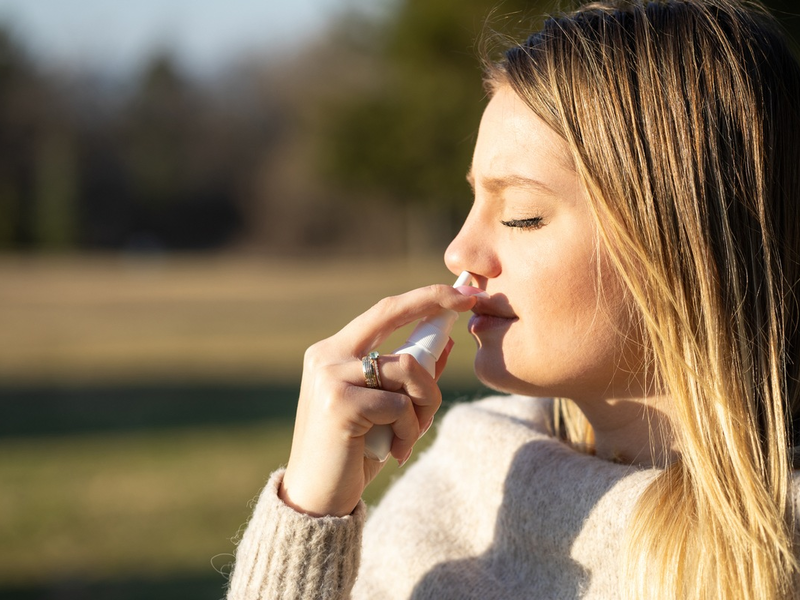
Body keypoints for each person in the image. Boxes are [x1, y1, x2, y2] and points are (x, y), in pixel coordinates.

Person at [225, 0, 800, 598]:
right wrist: (311, 514)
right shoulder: (462, 490)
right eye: (473, 202)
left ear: (687, 241)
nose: (459, 251)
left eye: (522, 215)